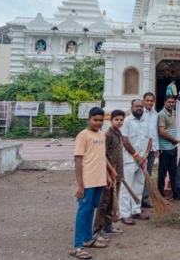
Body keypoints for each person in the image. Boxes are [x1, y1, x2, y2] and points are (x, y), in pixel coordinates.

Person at [71, 107, 113, 259]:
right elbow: (78, 159)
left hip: (99, 180)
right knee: (83, 211)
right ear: (88, 119)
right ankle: (77, 247)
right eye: (95, 120)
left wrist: (107, 176)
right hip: (87, 182)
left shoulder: (102, 135)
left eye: (101, 120)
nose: (98, 123)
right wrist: (80, 184)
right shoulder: (83, 136)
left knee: (91, 210)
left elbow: (102, 157)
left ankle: (88, 239)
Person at [92, 110, 125, 241]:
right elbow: (103, 155)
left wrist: (120, 174)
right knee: (104, 201)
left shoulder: (119, 133)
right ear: (111, 120)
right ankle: (97, 231)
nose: (119, 122)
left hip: (117, 173)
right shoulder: (108, 135)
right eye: (117, 119)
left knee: (112, 200)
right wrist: (108, 173)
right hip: (107, 174)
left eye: (121, 120)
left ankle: (107, 226)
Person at [118, 99, 151, 225]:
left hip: (142, 161)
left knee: (138, 186)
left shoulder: (145, 122)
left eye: (141, 106)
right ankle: (124, 214)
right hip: (129, 160)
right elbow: (125, 140)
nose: (139, 108)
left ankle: (136, 210)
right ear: (131, 107)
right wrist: (136, 156)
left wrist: (145, 156)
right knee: (127, 187)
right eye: (137, 106)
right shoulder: (126, 121)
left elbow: (150, 140)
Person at [157, 95, 180, 201]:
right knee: (162, 171)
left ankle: (176, 193)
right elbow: (162, 132)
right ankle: (160, 193)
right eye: (169, 102)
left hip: (173, 147)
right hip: (165, 147)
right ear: (164, 102)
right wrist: (172, 139)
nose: (171, 104)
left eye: (173, 102)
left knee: (174, 171)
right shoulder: (161, 115)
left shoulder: (174, 113)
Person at [140, 92, 158, 208]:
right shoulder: (139, 113)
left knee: (148, 173)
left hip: (151, 149)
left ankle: (145, 199)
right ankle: (136, 198)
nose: (149, 103)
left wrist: (156, 148)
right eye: (147, 100)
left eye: (151, 101)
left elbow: (155, 132)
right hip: (141, 149)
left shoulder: (155, 114)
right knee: (138, 174)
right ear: (143, 100)